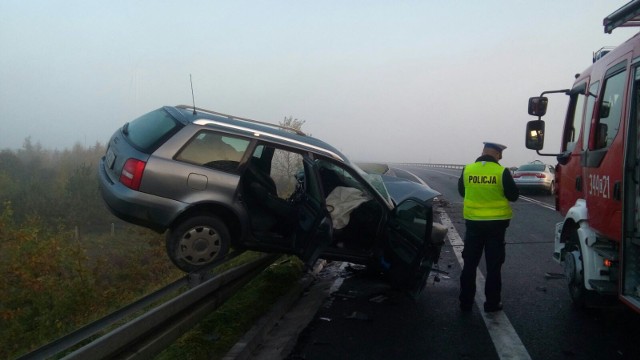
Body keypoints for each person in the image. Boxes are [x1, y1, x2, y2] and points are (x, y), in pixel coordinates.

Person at [457, 142, 519, 313]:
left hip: (473, 224)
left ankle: (465, 303)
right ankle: (492, 304)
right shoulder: (501, 172)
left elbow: (462, 192)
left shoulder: (468, 169)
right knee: (493, 266)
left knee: (469, 264)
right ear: (498, 155)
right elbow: (513, 196)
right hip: (497, 226)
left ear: (483, 152)